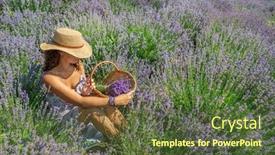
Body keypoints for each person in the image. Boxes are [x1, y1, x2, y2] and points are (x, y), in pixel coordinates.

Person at [40, 27, 134, 139]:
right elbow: (81, 102)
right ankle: (119, 141)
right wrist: (115, 100)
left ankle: (130, 134)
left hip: (81, 110)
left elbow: (82, 97)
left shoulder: (78, 66)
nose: (79, 56)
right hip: (65, 120)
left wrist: (85, 91)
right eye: (75, 53)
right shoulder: (50, 78)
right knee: (93, 110)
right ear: (61, 52)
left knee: (108, 106)